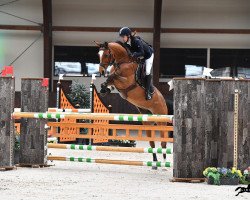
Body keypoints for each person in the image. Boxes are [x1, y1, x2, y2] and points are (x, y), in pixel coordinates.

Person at [119, 27, 154, 100]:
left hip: (148, 55)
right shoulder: (126, 43)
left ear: (128, 36)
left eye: (123, 37)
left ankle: (147, 92)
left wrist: (133, 54)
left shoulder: (136, 41)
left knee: (147, 71)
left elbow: (142, 52)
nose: (123, 38)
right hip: (139, 56)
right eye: (122, 37)